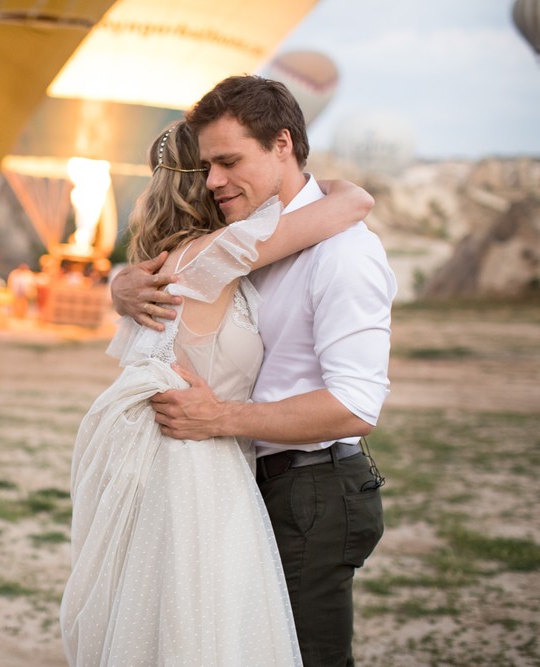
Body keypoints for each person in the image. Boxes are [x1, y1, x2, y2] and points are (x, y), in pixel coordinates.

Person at [60, 119, 374, 666]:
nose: (220, 182)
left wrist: (119, 282)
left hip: (197, 467)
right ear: (197, 180)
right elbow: (348, 205)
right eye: (212, 169)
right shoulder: (218, 255)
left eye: (229, 165)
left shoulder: (177, 265)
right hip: (201, 474)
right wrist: (349, 188)